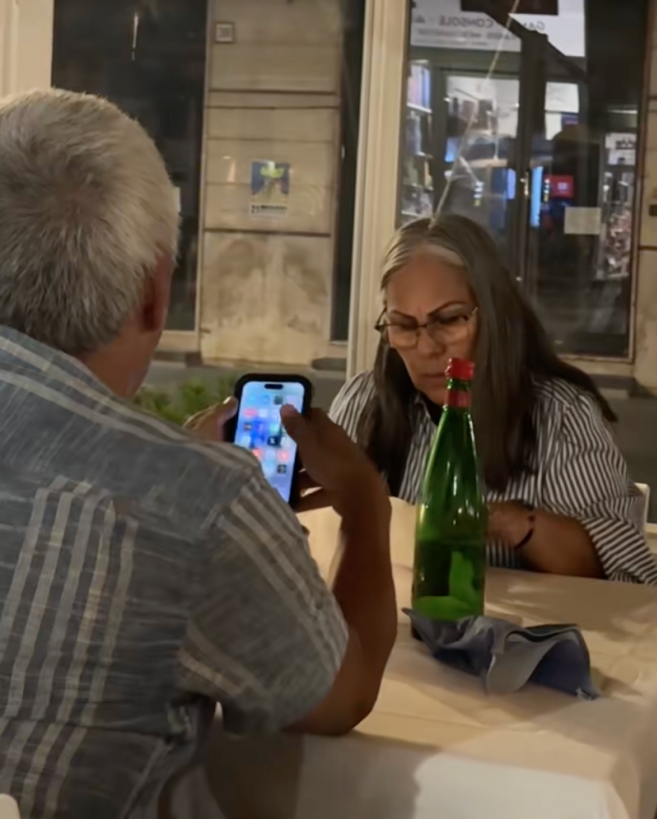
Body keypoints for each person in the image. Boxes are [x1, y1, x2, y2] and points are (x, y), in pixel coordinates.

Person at [0, 89, 396, 819]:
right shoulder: (199, 503)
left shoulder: (185, 490)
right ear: (156, 292)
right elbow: (340, 694)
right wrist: (368, 513)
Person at [330, 214, 657, 585]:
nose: (427, 347)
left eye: (449, 320)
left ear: (493, 315)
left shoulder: (561, 416)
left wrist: (513, 524)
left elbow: (626, 578)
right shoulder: (362, 401)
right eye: (404, 326)